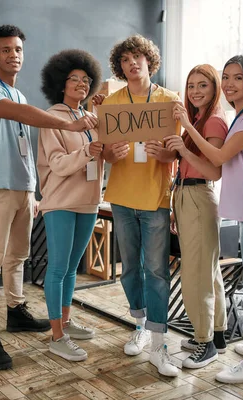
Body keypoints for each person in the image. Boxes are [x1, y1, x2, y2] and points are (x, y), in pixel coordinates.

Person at [0, 25, 98, 370]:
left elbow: (27, 145)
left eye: (18, 50)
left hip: (25, 190)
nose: (14, 55)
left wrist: (35, 192)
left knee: (18, 258)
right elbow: (20, 116)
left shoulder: (22, 95)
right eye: (7, 50)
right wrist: (69, 126)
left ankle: (16, 311)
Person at [168, 54, 243, 384]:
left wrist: (186, 128)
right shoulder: (241, 116)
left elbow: (217, 159)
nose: (230, 84)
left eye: (237, 78)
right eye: (227, 77)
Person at [93, 34, 180, 377]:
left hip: (156, 198)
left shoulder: (170, 100)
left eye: (138, 57)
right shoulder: (111, 103)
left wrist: (169, 153)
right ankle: (140, 325)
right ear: (120, 66)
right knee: (129, 268)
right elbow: (100, 150)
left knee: (157, 271)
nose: (132, 63)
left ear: (149, 61)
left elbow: (179, 151)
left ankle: (160, 344)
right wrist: (108, 153)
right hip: (121, 199)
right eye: (125, 59)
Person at [37, 49, 104, 362]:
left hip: (88, 203)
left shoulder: (88, 119)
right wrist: (88, 150)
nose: (81, 83)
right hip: (61, 203)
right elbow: (58, 165)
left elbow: (100, 157)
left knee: (72, 269)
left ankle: (65, 321)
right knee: (59, 268)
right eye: (74, 78)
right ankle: (56, 336)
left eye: (86, 79)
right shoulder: (52, 119)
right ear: (60, 83)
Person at [164, 64, 228, 369]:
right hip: (186, 196)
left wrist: (185, 141)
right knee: (208, 270)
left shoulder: (213, 122)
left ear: (214, 88)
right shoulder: (200, 120)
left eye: (203, 85)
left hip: (199, 195)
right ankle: (216, 334)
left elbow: (213, 170)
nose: (195, 91)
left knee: (195, 274)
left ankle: (204, 343)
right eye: (191, 86)